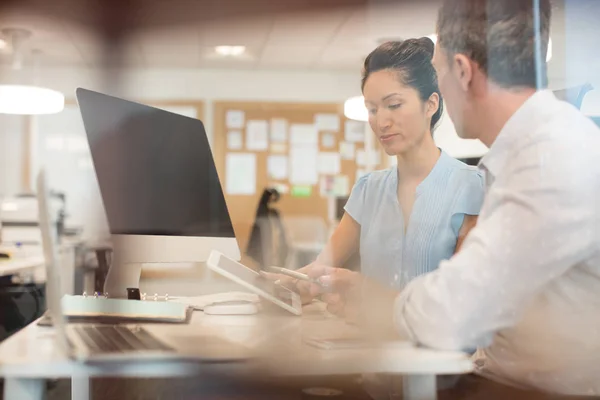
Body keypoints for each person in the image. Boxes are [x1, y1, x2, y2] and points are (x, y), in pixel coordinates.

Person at [306, 0, 600, 398]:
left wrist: (368, 299)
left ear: (461, 71)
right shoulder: (524, 155)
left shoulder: (552, 159)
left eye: (440, 72)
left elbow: (451, 313)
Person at [268, 38, 484, 299]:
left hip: (437, 340)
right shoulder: (368, 189)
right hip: (371, 339)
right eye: (372, 109)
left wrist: (365, 294)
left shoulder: (471, 187)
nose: (381, 121)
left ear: (431, 104)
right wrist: (286, 283)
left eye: (393, 105)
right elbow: (320, 268)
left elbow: (462, 301)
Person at [246, 187, 287, 269]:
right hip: (265, 241)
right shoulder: (262, 212)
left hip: (275, 241)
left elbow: (280, 230)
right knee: (264, 261)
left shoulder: (275, 213)